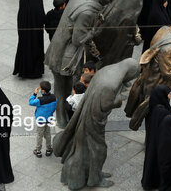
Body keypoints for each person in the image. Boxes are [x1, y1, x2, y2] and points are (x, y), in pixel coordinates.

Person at [53, 58, 139, 190]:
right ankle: (94, 179)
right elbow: (106, 104)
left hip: (87, 114)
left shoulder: (106, 70)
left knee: (89, 150)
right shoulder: (110, 84)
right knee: (99, 150)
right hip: (92, 122)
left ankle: (94, 174)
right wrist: (118, 100)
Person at [44, 0, 120, 128]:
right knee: (63, 87)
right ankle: (63, 118)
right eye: (109, 1)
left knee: (63, 86)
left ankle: (63, 116)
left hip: (59, 47)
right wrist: (95, 30)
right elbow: (78, 39)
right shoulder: (88, 12)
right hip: (66, 54)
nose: (109, 4)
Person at [125, 15, 171, 131]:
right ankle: (152, 141)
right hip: (157, 84)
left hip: (149, 77)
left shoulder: (164, 29)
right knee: (154, 115)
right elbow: (169, 74)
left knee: (153, 115)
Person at [141, 85, 171, 190]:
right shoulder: (162, 110)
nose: (170, 95)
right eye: (168, 93)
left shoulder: (155, 105)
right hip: (160, 141)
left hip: (153, 139)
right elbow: (170, 122)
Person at [13, 0, 45, 79]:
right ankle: (34, 71)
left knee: (24, 48)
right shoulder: (37, 2)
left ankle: (23, 69)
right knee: (34, 49)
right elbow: (42, 17)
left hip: (23, 30)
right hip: (35, 34)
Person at [29, 81, 57, 158]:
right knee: (47, 134)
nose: (39, 89)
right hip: (49, 119)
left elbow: (31, 102)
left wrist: (34, 94)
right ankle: (49, 148)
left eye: (40, 88)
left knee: (39, 135)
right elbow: (54, 107)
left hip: (40, 120)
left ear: (43, 91)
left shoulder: (40, 100)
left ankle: (38, 150)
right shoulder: (54, 98)